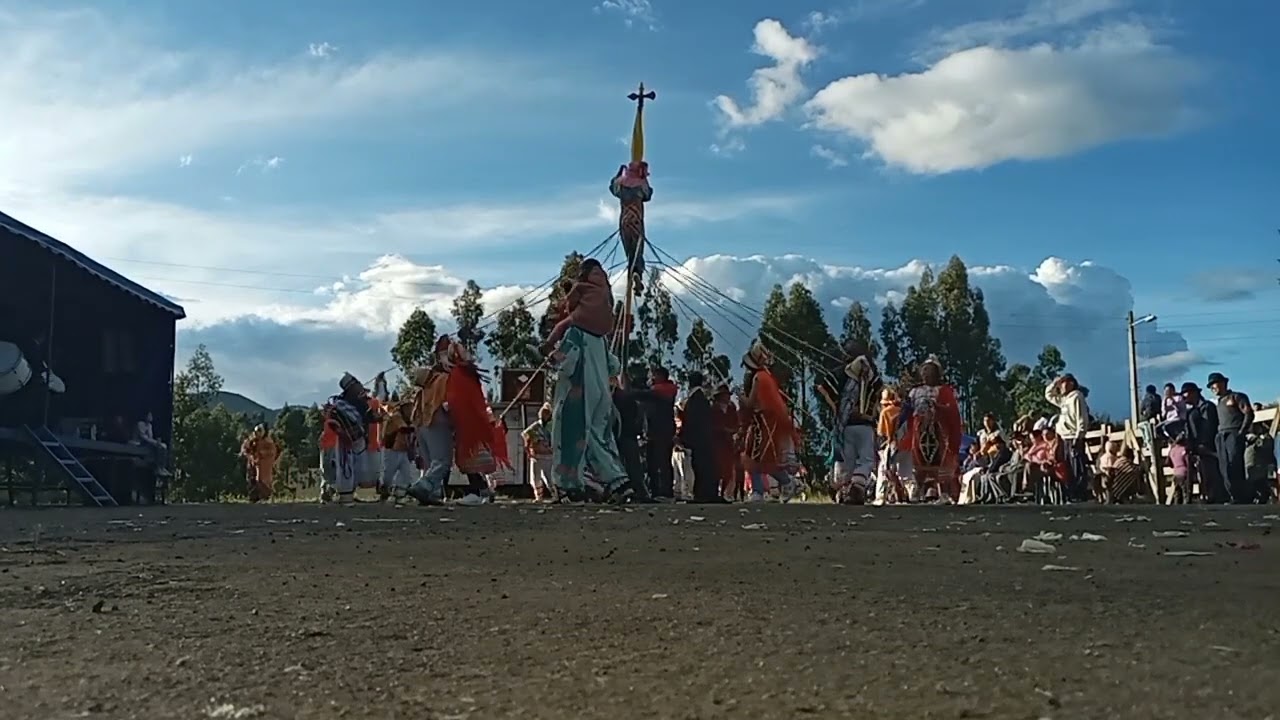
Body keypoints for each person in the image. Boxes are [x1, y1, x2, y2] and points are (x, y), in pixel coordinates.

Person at [544, 259, 631, 502]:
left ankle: (569, 486)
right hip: (601, 396)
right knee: (600, 438)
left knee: (570, 439)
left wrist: (551, 358)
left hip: (577, 396)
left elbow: (566, 361)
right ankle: (617, 481)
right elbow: (614, 365)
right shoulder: (600, 338)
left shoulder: (576, 331)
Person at [818, 340, 882, 504]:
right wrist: (870, 414)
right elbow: (878, 396)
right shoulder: (872, 376)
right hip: (865, 425)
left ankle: (845, 489)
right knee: (866, 460)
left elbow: (824, 389)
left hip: (846, 425)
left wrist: (838, 411)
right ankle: (856, 487)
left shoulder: (840, 373)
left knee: (847, 460)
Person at [739, 341, 799, 502]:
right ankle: (778, 485)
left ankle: (763, 490)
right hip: (763, 422)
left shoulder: (758, 378)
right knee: (760, 457)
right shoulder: (766, 378)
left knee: (757, 457)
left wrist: (741, 397)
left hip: (763, 422)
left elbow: (751, 403)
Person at [903, 356, 963, 503]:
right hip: (919, 431)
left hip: (939, 431)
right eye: (924, 371)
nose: (926, 374)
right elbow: (907, 412)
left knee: (941, 461)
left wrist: (938, 408)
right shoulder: (914, 392)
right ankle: (917, 491)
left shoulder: (945, 391)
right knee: (918, 461)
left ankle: (944, 493)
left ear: (937, 374)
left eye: (929, 371)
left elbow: (952, 411)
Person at [321, 372, 378, 506]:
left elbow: (370, 418)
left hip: (356, 441)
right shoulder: (340, 405)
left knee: (355, 467)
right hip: (340, 441)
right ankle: (341, 495)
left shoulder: (360, 404)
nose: (359, 386)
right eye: (356, 384)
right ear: (350, 388)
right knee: (342, 466)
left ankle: (348, 494)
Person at [1207, 372, 1254, 504]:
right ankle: (1232, 495)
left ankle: (1242, 495)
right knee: (1224, 467)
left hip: (1233, 433)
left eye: (1214, 384)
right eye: (1210, 386)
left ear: (1223, 383)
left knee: (1235, 464)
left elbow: (1249, 413)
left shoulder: (1236, 397)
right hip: (1221, 435)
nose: (1212, 388)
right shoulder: (1218, 402)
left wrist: (1241, 431)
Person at [1045, 374, 1090, 501]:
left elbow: (1082, 417)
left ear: (1071, 383)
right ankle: (1071, 492)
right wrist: (1055, 382)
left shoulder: (1077, 396)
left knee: (1077, 465)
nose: (1061, 386)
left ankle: (1079, 492)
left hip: (1073, 436)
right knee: (1067, 467)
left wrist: (1079, 435)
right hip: (1063, 437)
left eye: (1063, 383)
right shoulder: (1064, 400)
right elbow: (1049, 395)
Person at [679, 371, 722, 503]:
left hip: (699, 439)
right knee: (703, 465)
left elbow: (691, 421)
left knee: (700, 465)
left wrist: (684, 437)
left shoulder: (695, 399)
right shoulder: (700, 398)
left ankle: (704, 494)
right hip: (703, 439)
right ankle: (705, 493)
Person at [1182, 381, 1222, 502]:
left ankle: (1214, 498)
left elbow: (1208, 426)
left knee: (1210, 474)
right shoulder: (1191, 411)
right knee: (1199, 475)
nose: (1183, 396)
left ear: (1194, 393)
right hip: (1195, 448)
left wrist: (1203, 443)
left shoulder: (1207, 407)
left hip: (1208, 447)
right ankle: (1201, 497)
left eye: (1186, 393)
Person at [874, 387, 908, 505]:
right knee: (904, 471)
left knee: (884, 470)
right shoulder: (903, 411)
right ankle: (908, 494)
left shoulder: (885, 412)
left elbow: (881, 433)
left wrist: (880, 447)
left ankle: (881, 496)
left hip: (889, 444)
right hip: (904, 445)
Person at [382, 399, 417, 506]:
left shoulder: (408, 419)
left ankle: (400, 493)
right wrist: (418, 428)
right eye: (408, 407)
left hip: (402, 450)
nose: (410, 410)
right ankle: (384, 490)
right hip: (392, 450)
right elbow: (403, 429)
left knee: (406, 473)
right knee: (388, 473)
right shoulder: (396, 416)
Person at [710, 384, 741, 501]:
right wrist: (723, 429)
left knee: (728, 469)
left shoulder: (731, 409)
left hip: (728, 443)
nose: (727, 398)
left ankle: (725, 493)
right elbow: (712, 426)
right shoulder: (713, 409)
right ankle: (717, 492)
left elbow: (736, 424)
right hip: (717, 443)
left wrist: (734, 431)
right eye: (725, 395)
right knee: (717, 468)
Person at [521, 403, 556, 501]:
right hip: (536, 455)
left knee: (549, 477)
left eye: (546, 413)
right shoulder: (536, 426)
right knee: (535, 477)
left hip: (548, 455)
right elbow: (526, 435)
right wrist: (527, 449)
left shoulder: (552, 426)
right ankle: (538, 496)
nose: (543, 415)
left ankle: (555, 495)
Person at [1245, 405, 1276, 503]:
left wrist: (1257, 439)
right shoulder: (1246, 436)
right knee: (1252, 483)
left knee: (1260, 483)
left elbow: (1266, 444)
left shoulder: (1265, 436)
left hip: (1259, 465)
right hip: (1249, 465)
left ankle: (1266, 497)